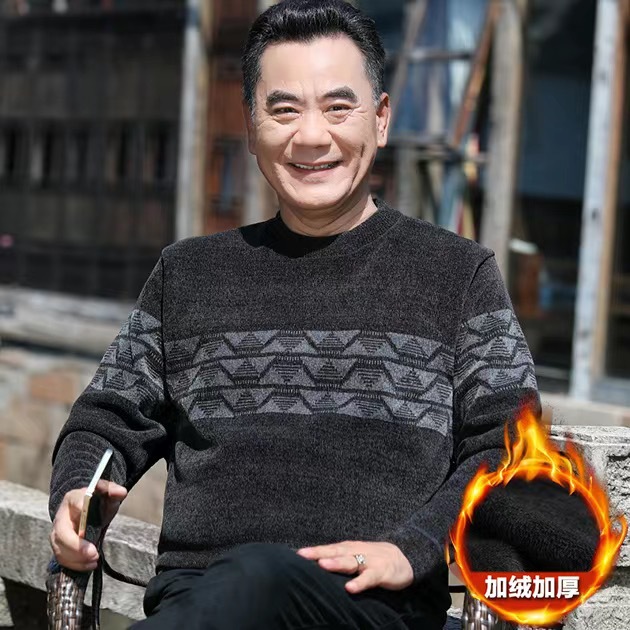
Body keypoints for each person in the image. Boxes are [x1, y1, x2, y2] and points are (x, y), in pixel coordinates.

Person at [47, 1, 597, 629]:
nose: (311, 136)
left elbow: (507, 451)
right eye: (284, 110)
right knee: (246, 582)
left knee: (260, 576)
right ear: (251, 126)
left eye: (338, 108)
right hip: (202, 599)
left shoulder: (457, 275)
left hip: (371, 608)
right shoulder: (188, 274)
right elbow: (106, 421)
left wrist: (413, 547)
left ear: (381, 119)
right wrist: (76, 493)